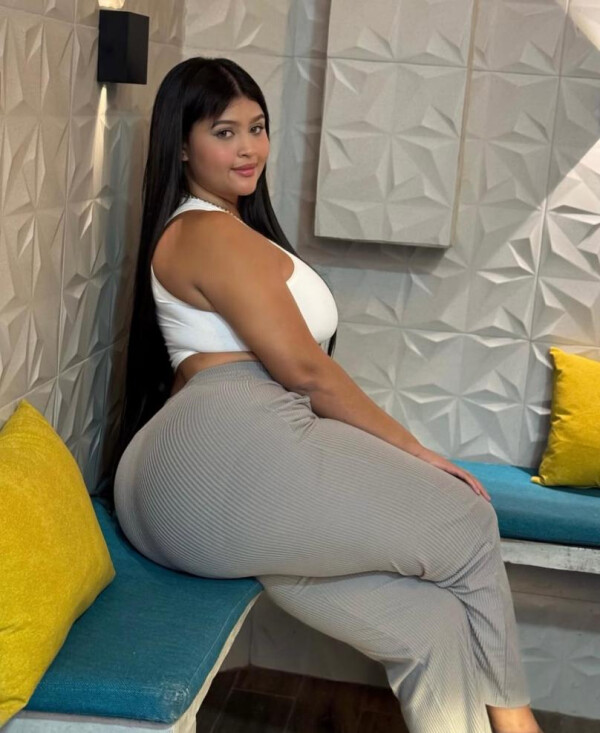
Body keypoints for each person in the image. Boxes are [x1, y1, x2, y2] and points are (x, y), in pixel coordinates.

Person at [111, 56, 542, 733]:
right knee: (467, 520)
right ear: (183, 146)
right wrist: (417, 452)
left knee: (430, 625)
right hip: (223, 456)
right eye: (224, 132)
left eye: (257, 128)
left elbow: (200, 372)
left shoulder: (217, 232)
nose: (248, 148)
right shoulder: (207, 232)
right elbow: (306, 372)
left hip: (205, 480)